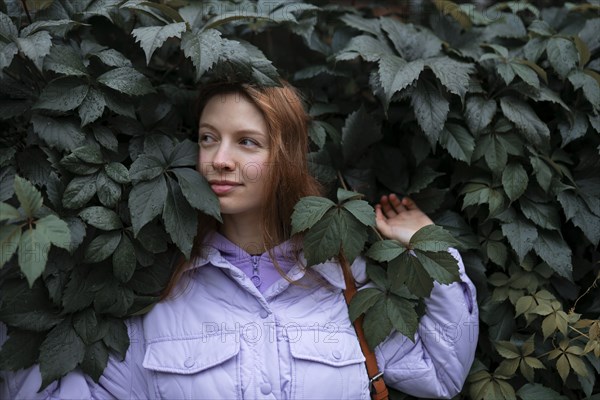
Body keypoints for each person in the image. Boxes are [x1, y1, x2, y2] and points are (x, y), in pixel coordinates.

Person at [0, 81, 478, 399]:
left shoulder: (344, 283)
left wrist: (430, 247)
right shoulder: (155, 286)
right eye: (209, 138)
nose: (219, 160)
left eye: (247, 142)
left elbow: (442, 374)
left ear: (286, 156)